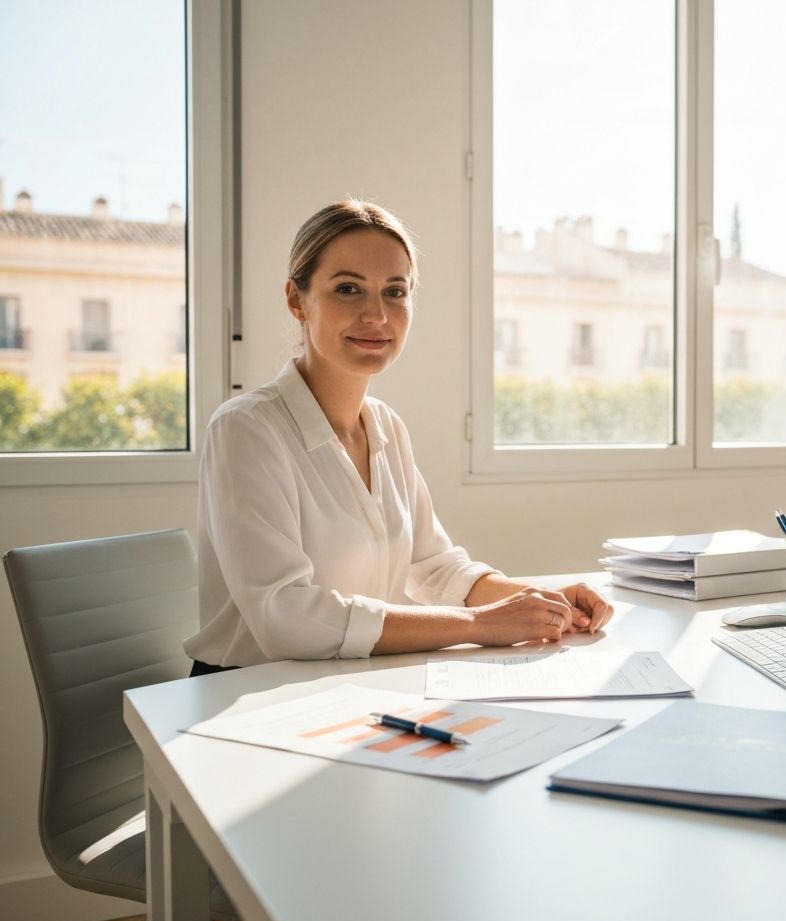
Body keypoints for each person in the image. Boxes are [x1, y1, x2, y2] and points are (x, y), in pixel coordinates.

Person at [184, 199, 613, 673]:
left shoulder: (385, 426)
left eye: (395, 291)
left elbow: (436, 568)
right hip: (243, 695)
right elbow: (285, 617)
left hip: (341, 684)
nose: (376, 315)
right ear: (295, 299)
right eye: (348, 289)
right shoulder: (246, 430)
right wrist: (479, 624)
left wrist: (543, 601)